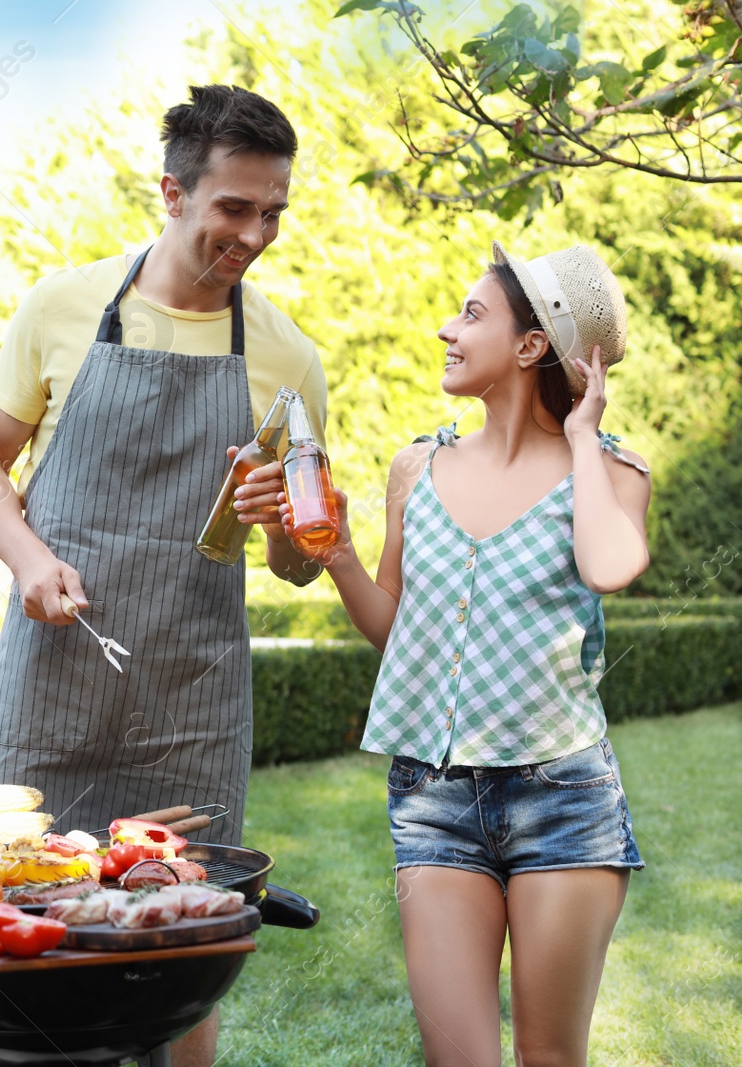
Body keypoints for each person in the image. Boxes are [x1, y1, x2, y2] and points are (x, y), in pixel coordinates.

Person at [0, 84, 326, 1065]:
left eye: (275, 210)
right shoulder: (62, 306)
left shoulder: (285, 354)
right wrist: (29, 558)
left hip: (189, 704)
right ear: (172, 190)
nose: (256, 233)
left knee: (182, 942)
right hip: (49, 686)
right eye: (234, 208)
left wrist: (286, 526)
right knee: (7, 919)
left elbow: (300, 561)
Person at [289, 242, 649, 1066]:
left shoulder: (614, 471)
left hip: (564, 798)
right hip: (434, 798)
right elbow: (398, 633)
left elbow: (610, 566)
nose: (447, 329)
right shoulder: (416, 465)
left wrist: (585, 437)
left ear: (531, 346)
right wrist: (340, 553)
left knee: (550, 1056)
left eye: (473, 314)